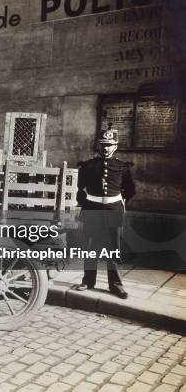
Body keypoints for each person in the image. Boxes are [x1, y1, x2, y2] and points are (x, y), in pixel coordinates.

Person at [74, 127, 135, 299]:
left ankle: (116, 285)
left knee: (112, 248)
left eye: (109, 145)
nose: (106, 148)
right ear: (98, 146)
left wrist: (121, 203)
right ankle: (88, 280)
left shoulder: (122, 167)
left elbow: (130, 190)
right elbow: (79, 189)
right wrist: (85, 203)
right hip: (92, 209)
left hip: (113, 210)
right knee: (90, 246)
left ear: (115, 146)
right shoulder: (88, 166)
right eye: (103, 145)